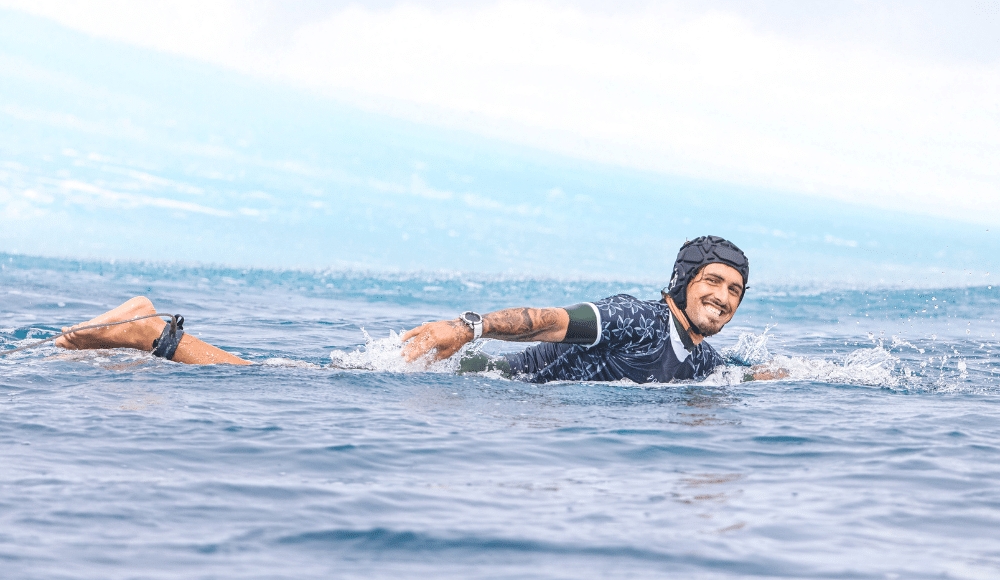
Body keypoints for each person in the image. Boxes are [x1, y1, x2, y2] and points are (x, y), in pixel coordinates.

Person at [52, 235, 781, 382]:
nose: (721, 298)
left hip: (491, 388)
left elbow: (731, 374)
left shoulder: (701, 356)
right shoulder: (637, 316)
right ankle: (149, 328)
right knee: (284, 377)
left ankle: (141, 334)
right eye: (712, 282)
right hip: (482, 382)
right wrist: (465, 326)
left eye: (734, 293)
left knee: (290, 371)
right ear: (681, 282)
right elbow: (551, 320)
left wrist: (774, 379)